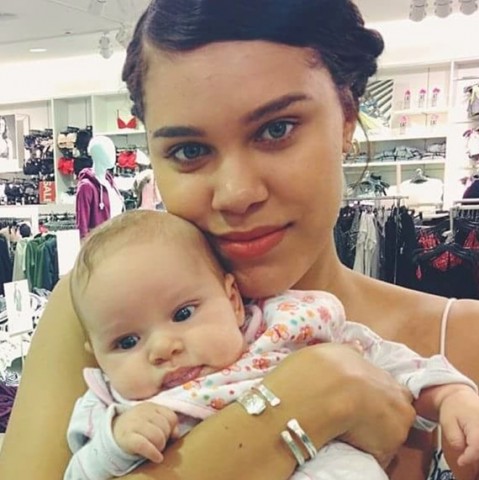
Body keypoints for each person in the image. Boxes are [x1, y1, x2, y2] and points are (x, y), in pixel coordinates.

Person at [3, 1, 479, 479]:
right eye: (189, 150)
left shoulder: (461, 339)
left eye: (276, 129)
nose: (236, 193)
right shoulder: (97, 317)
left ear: (347, 118)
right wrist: (311, 398)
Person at [65, 210, 479, 480]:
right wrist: (114, 446)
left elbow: (390, 362)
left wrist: (449, 395)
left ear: (232, 301)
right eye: (127, 341)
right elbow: (77, 474)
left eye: (184, 313)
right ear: (95, 353)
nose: (162, 348)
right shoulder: (112, 407)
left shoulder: (286, 327)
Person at [76, 136, 124, 239]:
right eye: (108, 150)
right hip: (101, 243)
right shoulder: (86, 187)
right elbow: (82, 226)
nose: (113, 154)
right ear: (97, 153)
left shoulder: (110, 182)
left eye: (113, 150)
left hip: (117, 240)